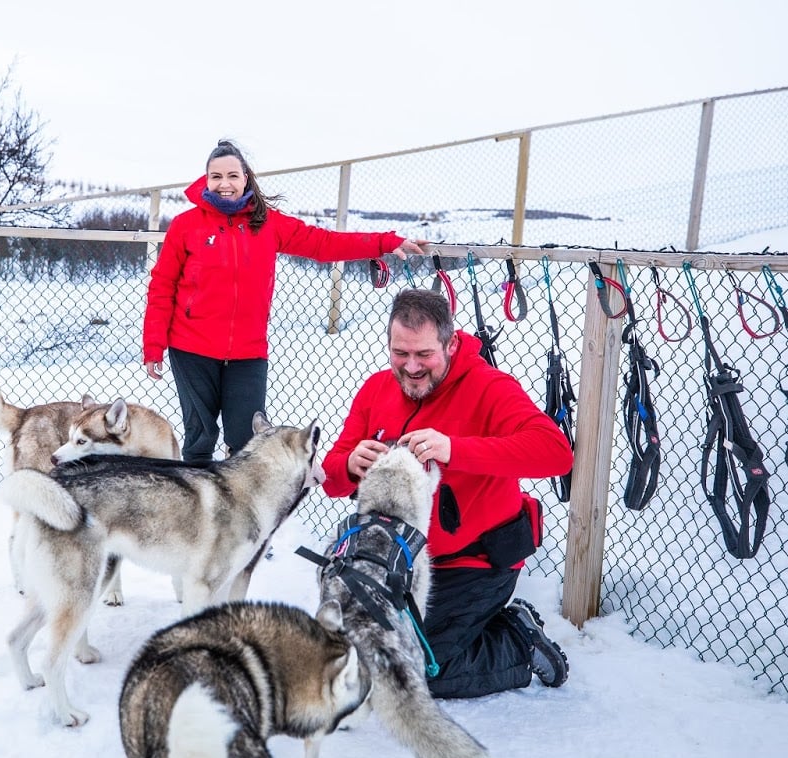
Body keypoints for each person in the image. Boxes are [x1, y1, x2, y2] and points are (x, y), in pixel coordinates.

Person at [321, 288, 574, 698]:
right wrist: (349, 464)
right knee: (357, 650)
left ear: (451, 343)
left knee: (418, 670)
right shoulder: (376, 390)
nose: (411, 367)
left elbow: (556, 454)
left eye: (424, 355)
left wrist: (455, 449)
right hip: (396, 562)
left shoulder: (490, 387)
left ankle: (517, 641)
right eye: (400, 353)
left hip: (474, 562)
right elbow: (333, 481)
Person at [143, 140, 427, 462]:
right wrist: (154, 345)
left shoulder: (267, 223)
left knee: (248, 441)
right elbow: (162, 286)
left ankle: (240, 509)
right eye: (216, 176)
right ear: (205, 179)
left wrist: (383, 243)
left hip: (247, 352)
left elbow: (324, 243)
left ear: (246, 178)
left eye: (233, 176)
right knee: (200, 438)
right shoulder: (186, 225)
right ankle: (198, 507)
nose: (224, 184)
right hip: (191, 348)